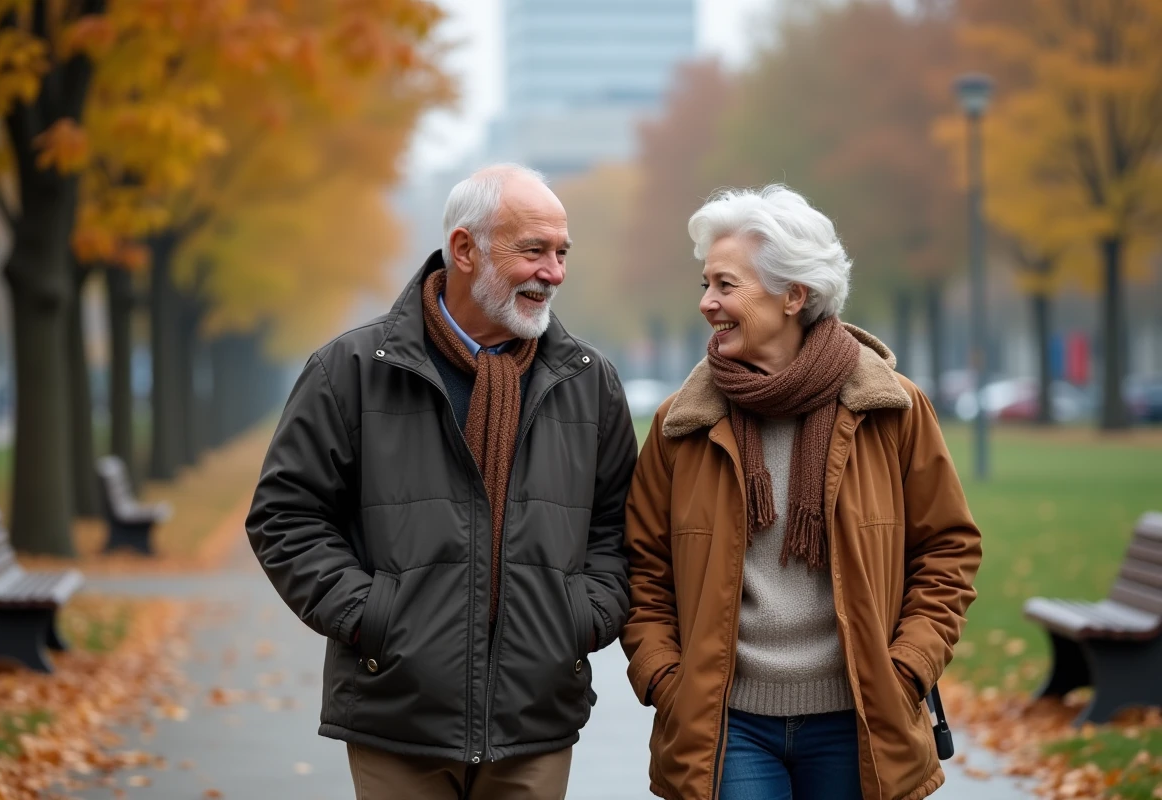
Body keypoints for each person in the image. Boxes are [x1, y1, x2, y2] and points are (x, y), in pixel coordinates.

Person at [246, 163, 637, 800]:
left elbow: (618, 526)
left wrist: (582, 617)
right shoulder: (350, 370)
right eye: (533, 250)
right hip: (396, 716)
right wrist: (374, 616)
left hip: (535, 722)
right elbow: (285, 517)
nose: (554, 272)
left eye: (561, 253)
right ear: (463, 249)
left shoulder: (590, 382)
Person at [620, 185, 982, 800]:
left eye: (726, 285)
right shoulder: (681, 424)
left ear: (795, 294)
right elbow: (641, 569)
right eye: (705, 284)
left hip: (860, 718)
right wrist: (666, 680)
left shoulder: (892, 410)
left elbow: (948, 551)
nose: (707, 303)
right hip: (726, 724)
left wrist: (907, 669)